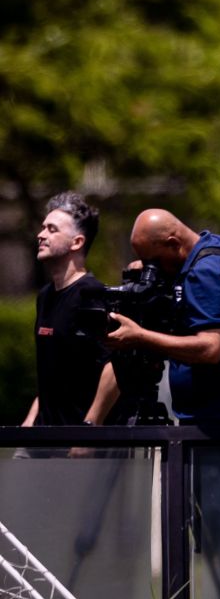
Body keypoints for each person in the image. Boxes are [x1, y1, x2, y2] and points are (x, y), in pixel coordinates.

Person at [104, 208, 220, 599]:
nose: (156, 271)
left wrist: (141, 337)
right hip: (216, 421)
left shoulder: (205, 273)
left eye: (157, 260)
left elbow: (210, 347)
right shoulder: (209, 253)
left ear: (175, 244)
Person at [20, 192, 119, 458]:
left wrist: (89, 428)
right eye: (42, 227)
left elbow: (114, 366)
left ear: (77, 242)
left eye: (52, 229)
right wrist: (30, 422)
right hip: (41, 437)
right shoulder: (45, 296)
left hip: (76, 442)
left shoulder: (91, 294)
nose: (41, 235)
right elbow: (52, 372)